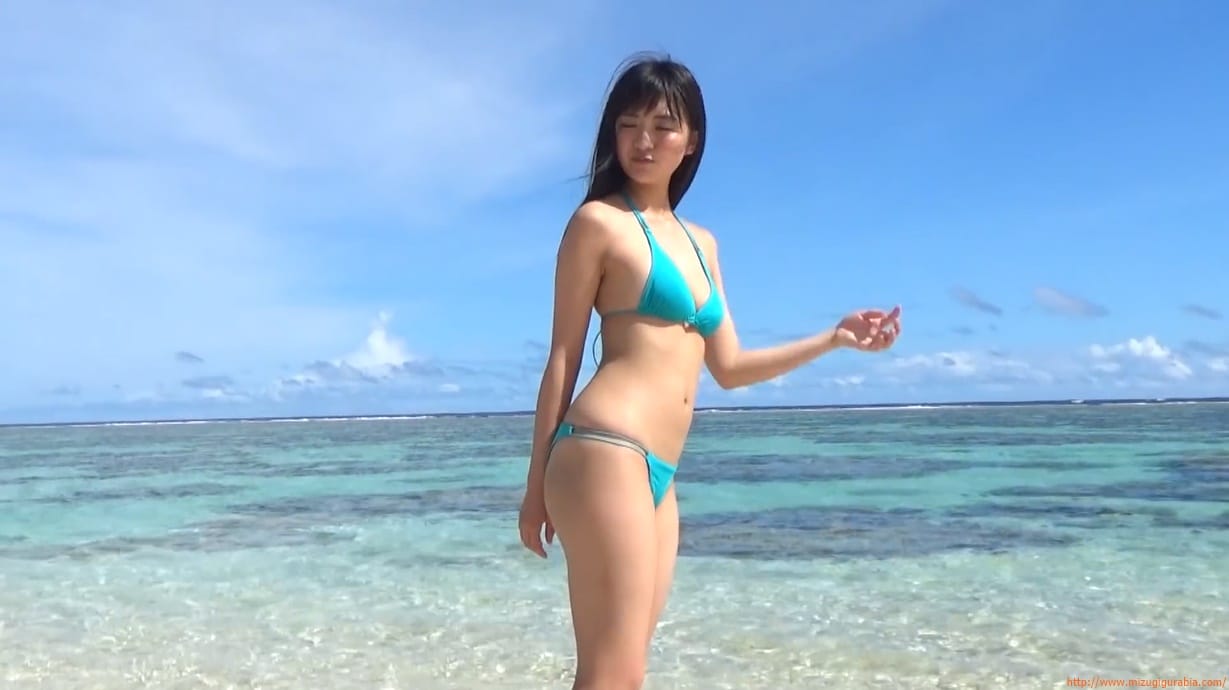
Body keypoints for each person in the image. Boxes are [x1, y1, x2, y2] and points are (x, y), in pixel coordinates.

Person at [517, 52, 902, 690]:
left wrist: (834, 339)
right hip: (604, 449)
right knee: (613, 676)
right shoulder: (599, 223)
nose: (643, 141)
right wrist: (535, 489)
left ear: (691, 139)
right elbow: (563, 355)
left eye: (662, 126)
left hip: (660, 475)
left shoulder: (704, 243)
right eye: (628, 124)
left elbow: (730, 367)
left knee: (626, 671)